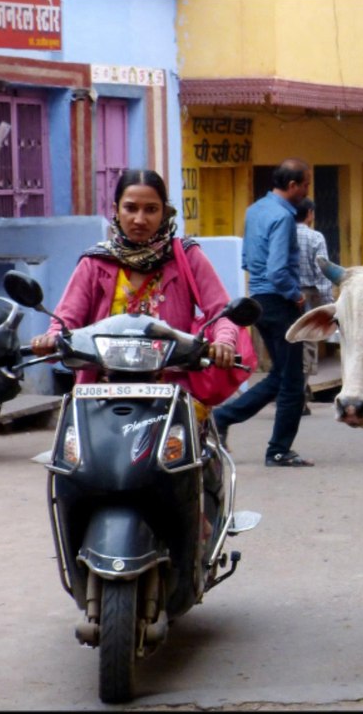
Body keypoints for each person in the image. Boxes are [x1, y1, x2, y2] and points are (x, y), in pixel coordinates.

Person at [30, 168, 239, 539]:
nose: (139, 219)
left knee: (196, 452)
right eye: (131, 208)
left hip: (172, 386)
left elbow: (220, 312)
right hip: (102, 387)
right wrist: (51, 339)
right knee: (72, 462)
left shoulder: (187, 257)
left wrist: (223, 341)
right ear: (116, 210)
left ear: (165, 213)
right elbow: (65, 319)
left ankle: (201, 512)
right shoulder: (96, 262)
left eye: (150, 209)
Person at [211, 158, 314, 467]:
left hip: (258, 300)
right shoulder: (284, 218)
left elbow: (247, 260)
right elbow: (279, 269)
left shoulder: (254, 210)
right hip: (280, 301)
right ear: (293, 185)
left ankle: (223, 416)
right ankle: (279, 450)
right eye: (306, 184)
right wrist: (296, 296)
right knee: (293, 381)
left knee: (280, 375)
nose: (308, 190)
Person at [294, 199, 332, 386]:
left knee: (290, 338)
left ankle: (293, 388)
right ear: (309, 213)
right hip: (309, 293)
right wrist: (329, 303)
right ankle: (301, 390)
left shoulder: (283, 235)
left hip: (287, 293)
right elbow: (322, 272)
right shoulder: (316, 237)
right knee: (308, 340)